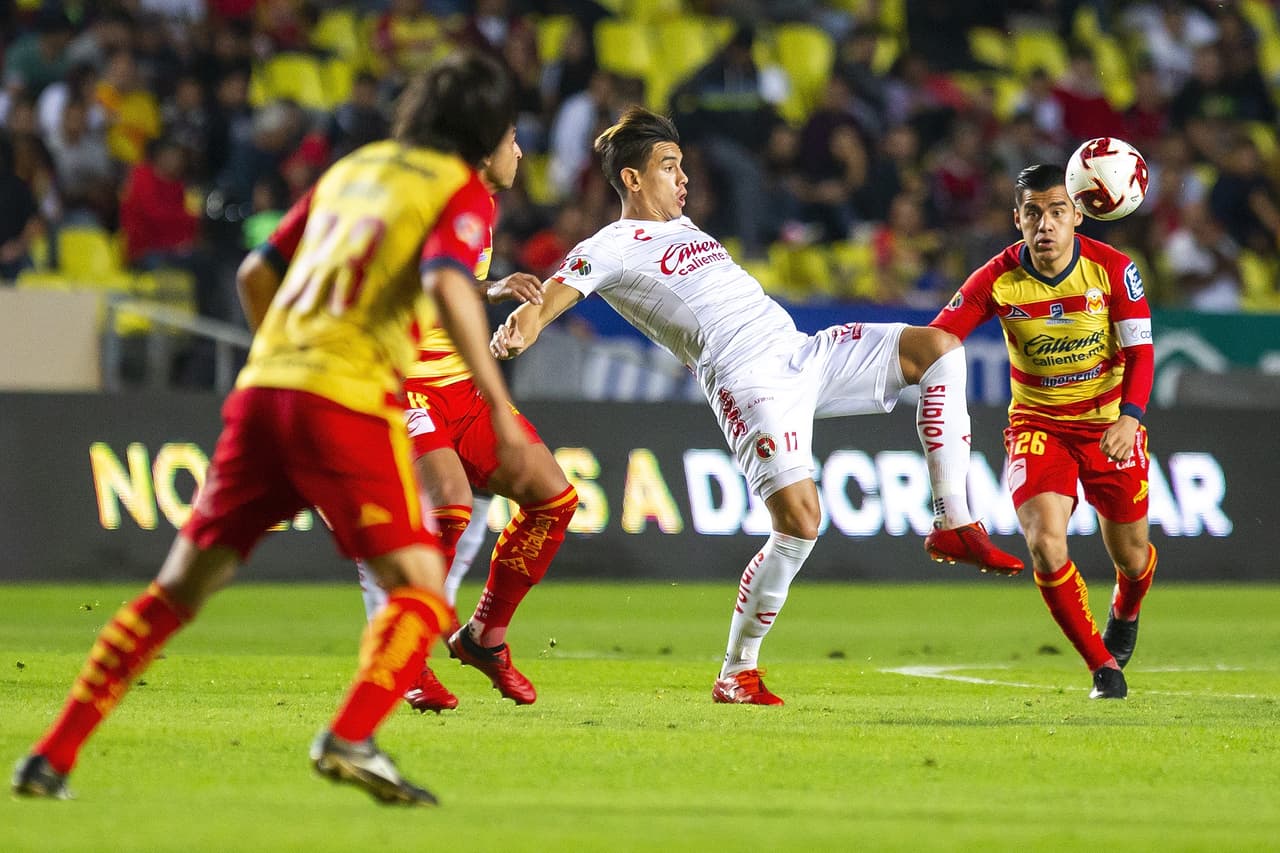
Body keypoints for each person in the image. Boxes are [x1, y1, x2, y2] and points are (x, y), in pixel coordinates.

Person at [13, 51, 522, 805]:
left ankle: (51, 755)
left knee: (177, 588)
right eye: (509, 131)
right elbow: (449, 281)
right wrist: (498, 403)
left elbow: (255, 273)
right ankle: (351, 736)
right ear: (480, 129)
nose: (517, 148)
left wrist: (283, 359)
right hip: (345, 401)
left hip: (262, 393)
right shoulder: (458, 188)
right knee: (422, 592)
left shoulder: (353, 170)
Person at [490, 106, 1024, 706]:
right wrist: (521, 328)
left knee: (939, 350)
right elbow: (552, 297)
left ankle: (954, 522)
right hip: (748, 383)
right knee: (801, 522)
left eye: (682, 164)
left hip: (803, 352)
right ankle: (736, 671)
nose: (684, 177)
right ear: (633, 180)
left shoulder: (686, 229)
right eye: (668, 166)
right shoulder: (610, 246)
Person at [242, 125, 578, 714]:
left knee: (555, 501)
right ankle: (406, 655)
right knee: (450, 505)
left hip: (460, 388)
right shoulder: (429, 198)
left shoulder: (482, 206)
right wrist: (491, 288)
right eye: (511, 140)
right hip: (403, 385)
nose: (521, 153)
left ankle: (482, 638)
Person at [929, 163, 1158, 701]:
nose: (1045, 225)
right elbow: (940, 338)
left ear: (1077, 215)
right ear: (1018, 219)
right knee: (1045, 544)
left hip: (1108, 426)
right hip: (1038, 426)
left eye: (1057, 212)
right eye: (1033, 213)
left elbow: (1141, 352)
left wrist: (1130, 417)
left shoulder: (1113, 269)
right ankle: (1103, 667)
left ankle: (1126, 609)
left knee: (1132, 557)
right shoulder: (997, 278)